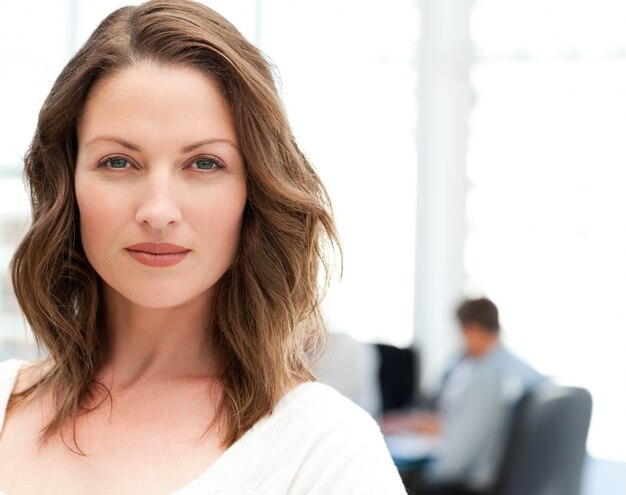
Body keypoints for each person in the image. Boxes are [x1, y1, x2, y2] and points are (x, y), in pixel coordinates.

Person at [0, 2, 406, 493]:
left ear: (253, 192)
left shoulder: (326, 451)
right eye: (118, 162)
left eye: (205, 164)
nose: (158, 209)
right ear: (67, 184)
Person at [382, 298, 545, 493]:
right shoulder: (523, 371)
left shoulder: (488, 376)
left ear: (472, 330)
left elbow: (452, 463)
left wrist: (425, 479)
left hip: (472, 485)